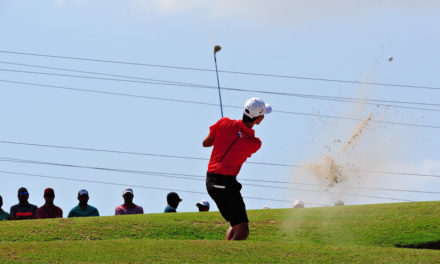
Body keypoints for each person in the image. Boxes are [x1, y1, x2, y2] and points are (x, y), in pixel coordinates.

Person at [203, 97, 271, 240]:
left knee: (236, 224)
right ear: (258, 119)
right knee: (243, 230)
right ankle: (230, 257)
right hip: (225, 182)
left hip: (211, 180)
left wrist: (221, 132)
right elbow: (240, 142)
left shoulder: (224, 122)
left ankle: (227, 253)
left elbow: (206, 143)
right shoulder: (254, 143)